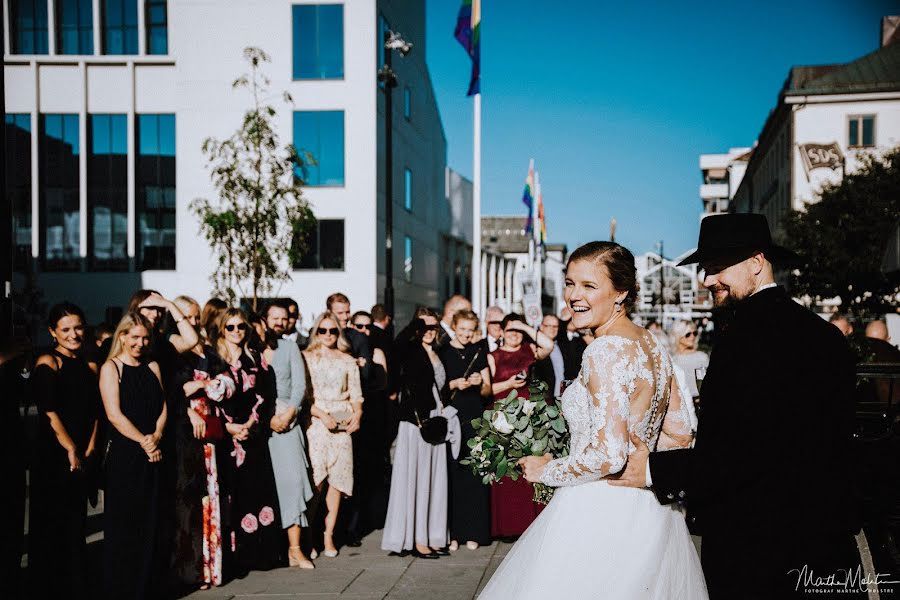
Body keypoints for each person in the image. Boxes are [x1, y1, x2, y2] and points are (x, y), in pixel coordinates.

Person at [610, 214, 862, 598]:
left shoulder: (748, 338)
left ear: (757, 263)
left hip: (763, 551)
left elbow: (746, 451)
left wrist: (653, 469)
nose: (707, 280)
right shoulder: (822, 334)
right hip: (825, 546)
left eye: (716, 268)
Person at [479, 241, 705, 599]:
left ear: (621, 293)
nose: (574, 296)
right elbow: (679, 433)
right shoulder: (652, 344)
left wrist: (546, 469)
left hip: (601, 507)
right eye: (569, 283)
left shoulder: (604, 349)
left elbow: (607, 455)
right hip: (651, 510)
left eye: (589, 285)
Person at [28, 303, 100, 598]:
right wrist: (70, 447)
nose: (73, 334)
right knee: (52, 523)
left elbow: (97, 412)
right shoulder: (48, 361)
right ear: (52, 332)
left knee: (76, 523)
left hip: (83, 453)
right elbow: (49, 410)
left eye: (78, 327)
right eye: (66, 329)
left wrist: (91, 447)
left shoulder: (90, 364)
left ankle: (75, 586)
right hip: (54, 455)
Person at [99, 312, 168, 600]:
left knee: (151, 522)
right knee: (125, 524)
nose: (140, 343)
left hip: (153, 451)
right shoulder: (111, 368)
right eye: (134, 337)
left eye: (145, 337)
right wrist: (143, 441)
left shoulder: (152, 365)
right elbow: (114, 415)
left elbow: (163, 406)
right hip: (127, 455)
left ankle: (149, 587)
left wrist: (157, 435)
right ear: (122, 336)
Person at [170, 296, 234, 590]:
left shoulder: (209, 351)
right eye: (188, 317)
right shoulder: (172, 351)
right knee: (188, 504)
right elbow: (170, 390)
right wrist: (191, 393)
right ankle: (189, 570)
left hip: (211, 435)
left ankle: (210, 568)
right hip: (184, 436)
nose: (194, 323)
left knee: (211, 499)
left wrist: (211, 385)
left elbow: (226, 382)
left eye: (196, 317)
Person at [214, 308, 284, 575]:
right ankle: (236, 557)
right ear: (222, 329)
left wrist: (251, 424)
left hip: (252, 435)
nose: (236, 332)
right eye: (230, 327)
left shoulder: (255, 358)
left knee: (257, 491)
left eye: (241, 327)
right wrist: (230, 427)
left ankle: (261, 553)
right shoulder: (215, 359)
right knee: (233, 495)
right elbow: (209, 399)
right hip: (227, 438)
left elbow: (264, 396)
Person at [382, 308, 451, 558]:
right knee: (416, 480)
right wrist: (418, 323)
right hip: (415, 423)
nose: (430, 332)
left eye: (434, 328)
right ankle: (415, 538)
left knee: (434, 481)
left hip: (436, 421)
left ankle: (432, 535)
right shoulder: (409, 350)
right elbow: (397, 343)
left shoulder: (440, 351)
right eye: (425, 328)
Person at [487, 312, 554, 539]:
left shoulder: (529, 351)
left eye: (517, 330)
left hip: (528, 418)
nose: (514, 334)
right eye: (510, 330)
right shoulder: (493, 356)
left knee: (527, 467)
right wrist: (508, 383)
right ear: (502, 332)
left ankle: (529, 523)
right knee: (505, 471)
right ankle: (507, 525)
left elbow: (548, 344)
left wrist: (524, 326)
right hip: (503, 417)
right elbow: (487, 390)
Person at [303, 312, 364, 558]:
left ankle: (329, 536)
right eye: (323, 330)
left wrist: (357, 416)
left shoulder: (347, 360)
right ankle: (310, 536)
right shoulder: (306, 358)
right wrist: (320, 414)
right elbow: (303, 396)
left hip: (342, 423)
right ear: (316, 332)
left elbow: (357, 395)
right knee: (316, 480)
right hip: (317, 423)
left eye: (333, 331)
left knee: (337, 483)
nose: (328, 335)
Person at [263, 301, 315, 569]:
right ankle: (272, 549)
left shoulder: (290, 347)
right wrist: (266, 419)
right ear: (263, 319)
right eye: (274, 317)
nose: (279, 322)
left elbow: (300, 385)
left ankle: (296, 549)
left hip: (287, 423)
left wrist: (289, 413)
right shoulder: (251, 349)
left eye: (284, 318)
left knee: (293, 482)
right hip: (260, 425)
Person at [438, 309, 492, 551]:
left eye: (470, 330)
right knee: (451, 475)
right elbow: (436, 388)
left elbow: (487, 391)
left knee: (474, 474)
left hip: (474, 417)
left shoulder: (479, 351)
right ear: (454, 327)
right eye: (462, 330)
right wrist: (453, 383)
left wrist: (480, 383)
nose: (467, 335)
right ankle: (453, 533)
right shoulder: (444, 352)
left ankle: (474, 532)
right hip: (452, 417)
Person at [345, 311, 389, 546]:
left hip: (370, 416)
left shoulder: (375, 351)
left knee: (364, 473)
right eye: (358, 325)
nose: (363, 330)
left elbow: (381, 384)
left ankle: (358, 524)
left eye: (367, 326)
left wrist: (368, 368)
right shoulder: (344, 349)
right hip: (344, 417)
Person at [670, 319, 709, 401]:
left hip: (700, 402)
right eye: (688, 334)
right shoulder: (672, 360)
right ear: (678, 335)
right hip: (681, 403)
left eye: (695, 333)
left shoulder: (702, 358)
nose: (692, 337)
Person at [533, 314, 563, 399]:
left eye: (555, 326)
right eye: (548, 326)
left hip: (563, 398)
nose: (552, 329)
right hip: (544, 399)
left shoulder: (561, 346)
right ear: (541, 327)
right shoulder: (535, 347)